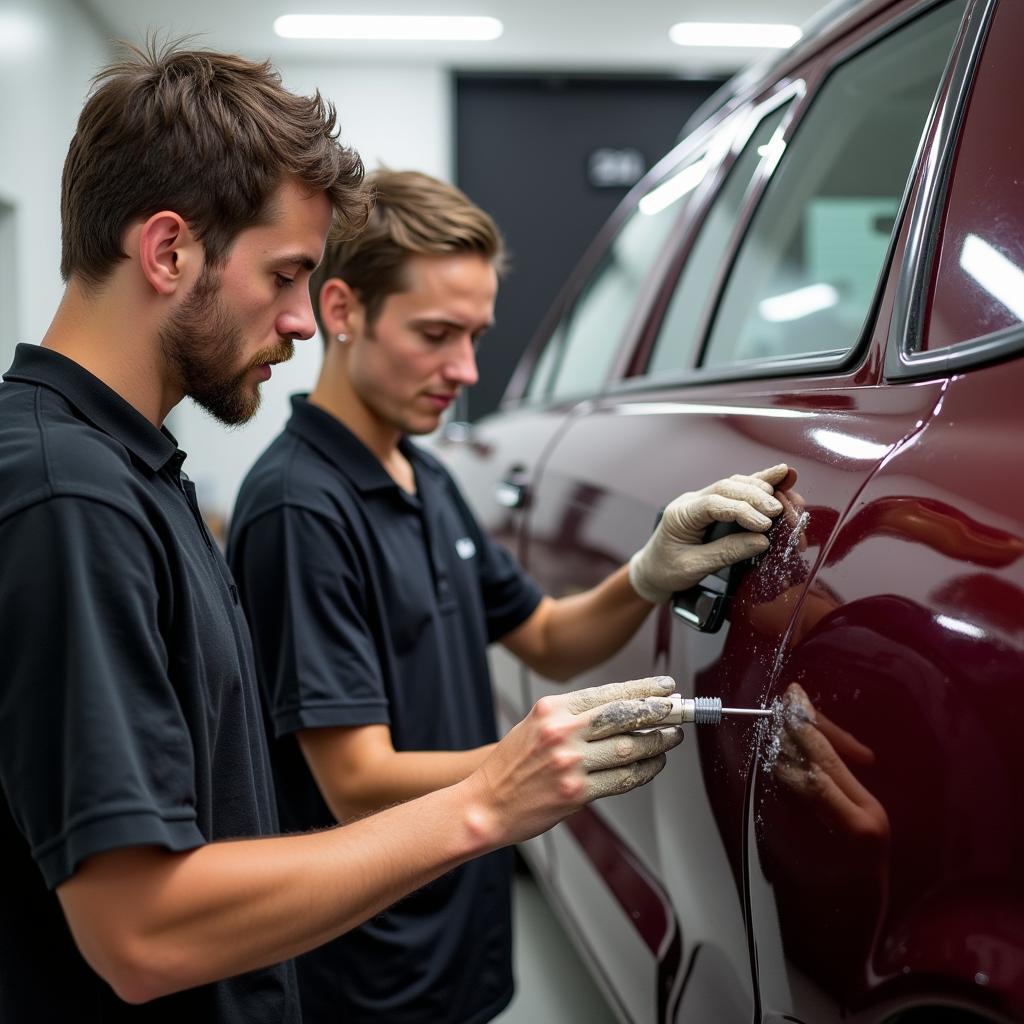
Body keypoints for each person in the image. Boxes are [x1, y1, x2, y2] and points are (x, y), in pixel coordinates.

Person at [0, 44, 694, 1024]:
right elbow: (143, 933)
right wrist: (493, 793)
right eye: (286, 275)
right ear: (167, 252)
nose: (296, 322)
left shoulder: (134, 470)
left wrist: (649, 570)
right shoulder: (69, 500)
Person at [227, 168, 789, 1023]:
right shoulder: (301, 507)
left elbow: (548, 636)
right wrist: (545, 757)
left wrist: (651, 569)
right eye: (436, 334)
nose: (465, 369)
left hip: (458, 923)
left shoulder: (424, 477)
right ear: (341, 311)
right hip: (372, 962)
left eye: (476, 336)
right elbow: (356, 782)